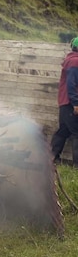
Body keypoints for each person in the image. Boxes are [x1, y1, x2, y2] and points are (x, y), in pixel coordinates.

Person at [51, 37, 78, 165]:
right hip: (70, 103)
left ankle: (52, 157)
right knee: (76, 133)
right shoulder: (75, 62)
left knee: (64, 131)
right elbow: (71, 84)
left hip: (65, 103)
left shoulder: (71, 60)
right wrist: (76, 103)